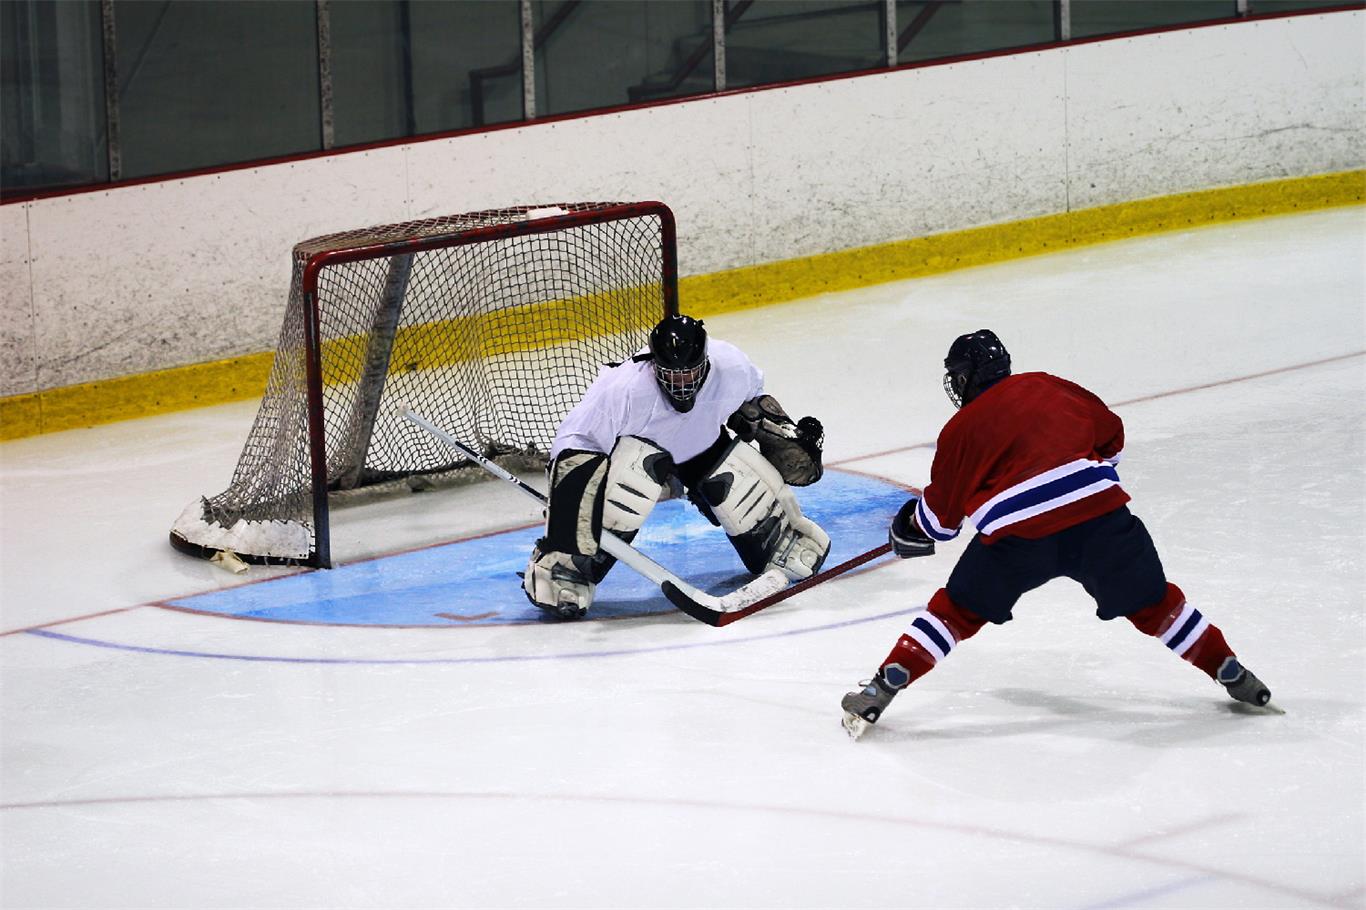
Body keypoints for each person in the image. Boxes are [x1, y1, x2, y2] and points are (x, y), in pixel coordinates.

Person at [841, 329, 1273, 739]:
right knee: (1156, 605)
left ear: (965, 377)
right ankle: (1229, 669)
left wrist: (907, 525)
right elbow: (1113, 438)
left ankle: (886, 683)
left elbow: (939, 524)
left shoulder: (960, 430)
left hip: (1017, 540)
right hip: (1100, 520)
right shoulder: (1049, 385)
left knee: (956, 613)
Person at [523, 313, 831, 619]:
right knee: (632, 481)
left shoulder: (731, 366)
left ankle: (780, 540)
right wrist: (570, 505)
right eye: (671, 373)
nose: (681, 383)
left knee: (732, 471)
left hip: (701, 448)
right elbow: (577, 441)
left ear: (705, 361)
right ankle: (564, 567)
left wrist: (775, 428)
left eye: (689, 373)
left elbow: (753, 400)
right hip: (640, 456)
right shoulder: (624, 389)